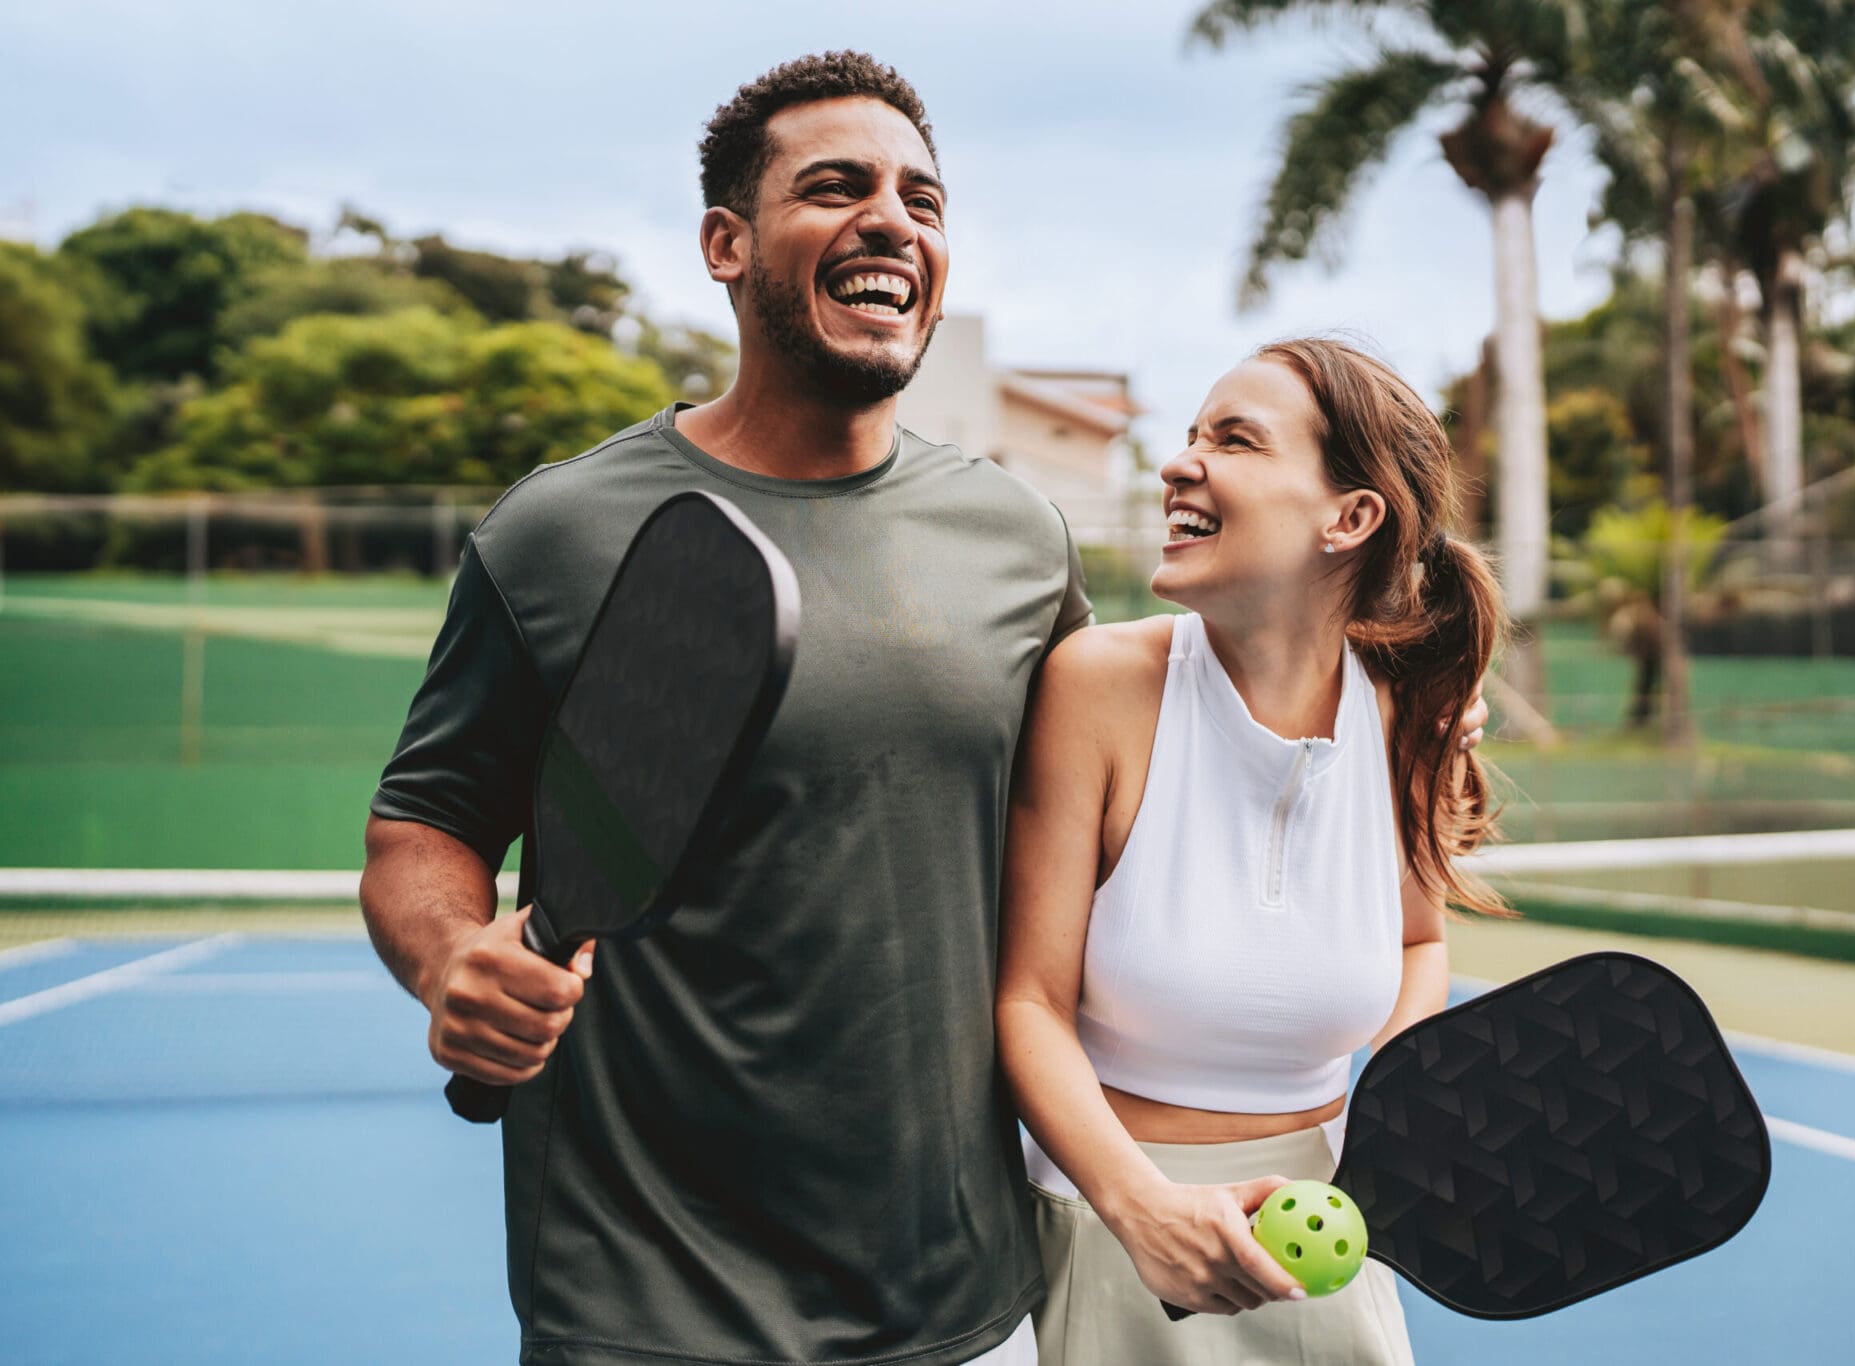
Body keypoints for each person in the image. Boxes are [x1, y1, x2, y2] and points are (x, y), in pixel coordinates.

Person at [360, 51, 1487, 1366]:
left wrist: (1394, 708)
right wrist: (451, 958)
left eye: (924, 199)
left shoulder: (1013, 536)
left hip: (964, 1304)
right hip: (646, 1305)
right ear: (726, 244)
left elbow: (1164, 777)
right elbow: (422, 826)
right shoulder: (557, 532)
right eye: (834, 188)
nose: (891, 220)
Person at [995, 336, 1512, 1365]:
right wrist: (1140, 1208)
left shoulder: (1413, 717)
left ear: (1348, 517)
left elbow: (1417, 944)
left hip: (1330, 1242)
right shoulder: (1093, 683)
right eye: (1188, 435)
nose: (1177, 464)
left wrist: (1391, 1112)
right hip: (1104, 1235)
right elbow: (1026, 1003)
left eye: (1231, 439)